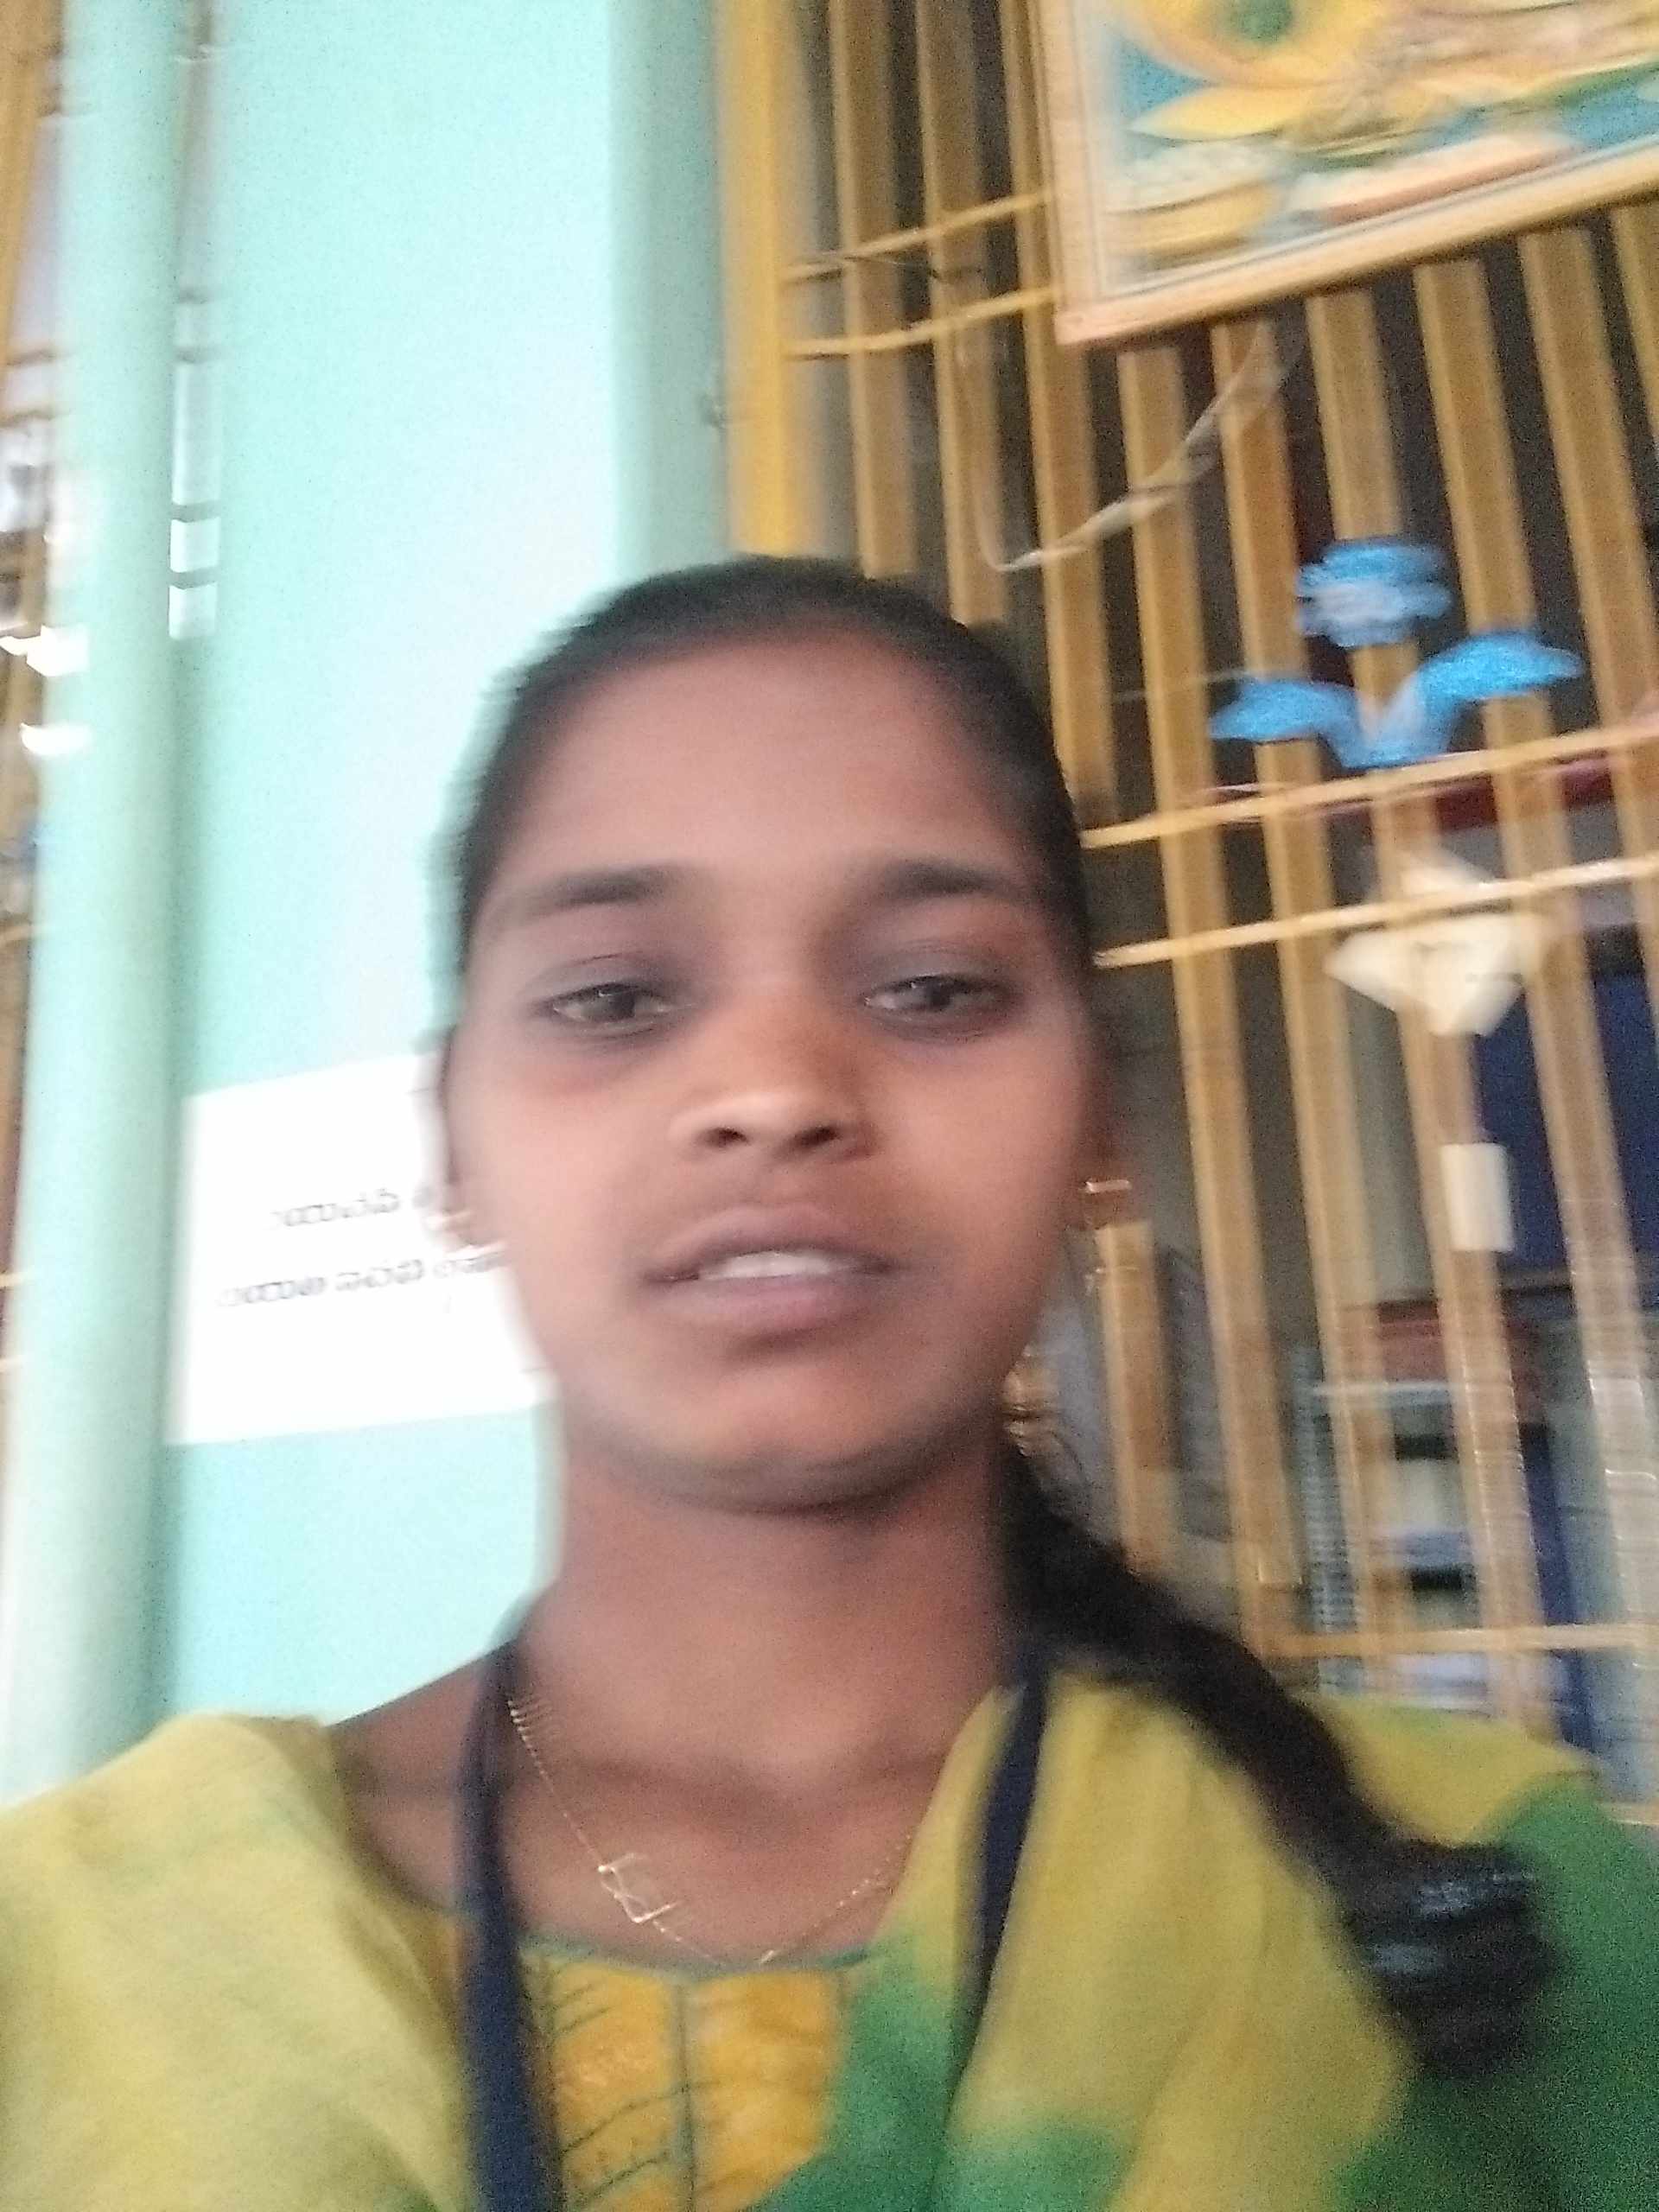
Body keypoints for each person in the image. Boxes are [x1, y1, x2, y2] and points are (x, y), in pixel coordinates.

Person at [2, 558, 1654, 2211]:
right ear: (453, 1144)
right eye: (615, 998)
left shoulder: (1500, 1899)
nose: (775, 1090)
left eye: (934, 988)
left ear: (1097, 1119)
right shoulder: (87, 1954)